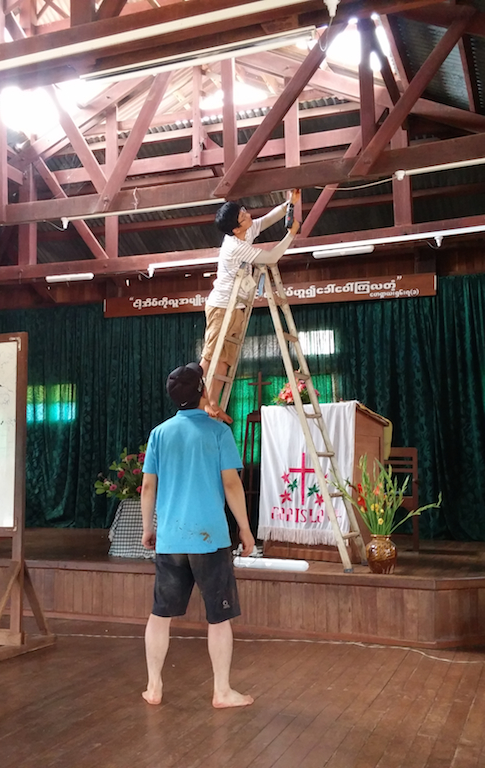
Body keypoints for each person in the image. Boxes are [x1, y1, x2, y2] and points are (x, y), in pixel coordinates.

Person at [141, 362, 256, 708]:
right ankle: (222, 691)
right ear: (203, 392)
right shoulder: (219, 432)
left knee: (160, 614)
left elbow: (148, 486)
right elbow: (231, 484)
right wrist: (245, 529)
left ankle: (153, 687)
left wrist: (148, 528)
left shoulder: (159, 434)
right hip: (210, 539)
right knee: (219, 618)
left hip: (171, 538)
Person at [201, 190, 301, 422]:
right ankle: (198, 400)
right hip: (222, 306)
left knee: (224, 360)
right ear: (235, 229)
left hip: (236, 307)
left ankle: (213, 403)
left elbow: (265, 221)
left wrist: (289, 204)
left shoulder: (246, 230)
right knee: (209, 357)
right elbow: (271, 258)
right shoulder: (235, 246)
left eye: (244, 211)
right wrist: (290, 236)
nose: (248, 216)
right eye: (242, 216)